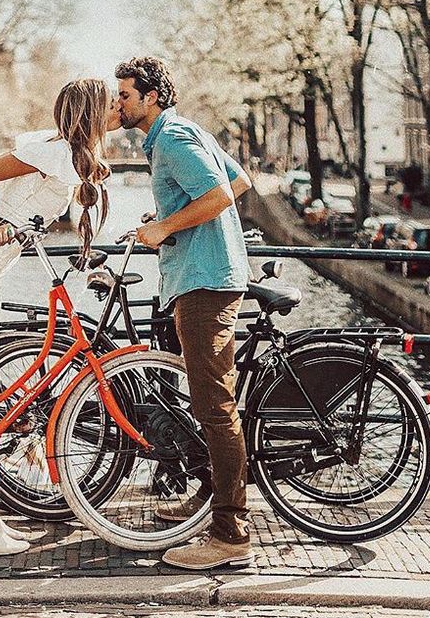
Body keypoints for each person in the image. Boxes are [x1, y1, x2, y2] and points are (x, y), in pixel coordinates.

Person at [0, 79, 121, 555]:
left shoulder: (71, 154)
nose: (118, 108)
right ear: (92, 111)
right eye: (111, 104)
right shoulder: (57, 153)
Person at [115, 56, 254, 571]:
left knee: (215, 407)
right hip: (205, 276)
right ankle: (213, 502)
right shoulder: (182, 131)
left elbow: (219, 194)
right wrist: (171, 219)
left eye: (125, 95)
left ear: (151, 96)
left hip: (204, 281)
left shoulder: (172, 139)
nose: (119, 104)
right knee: (207, 401)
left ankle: (230, 535)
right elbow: (239, 181)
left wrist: (162, 228)